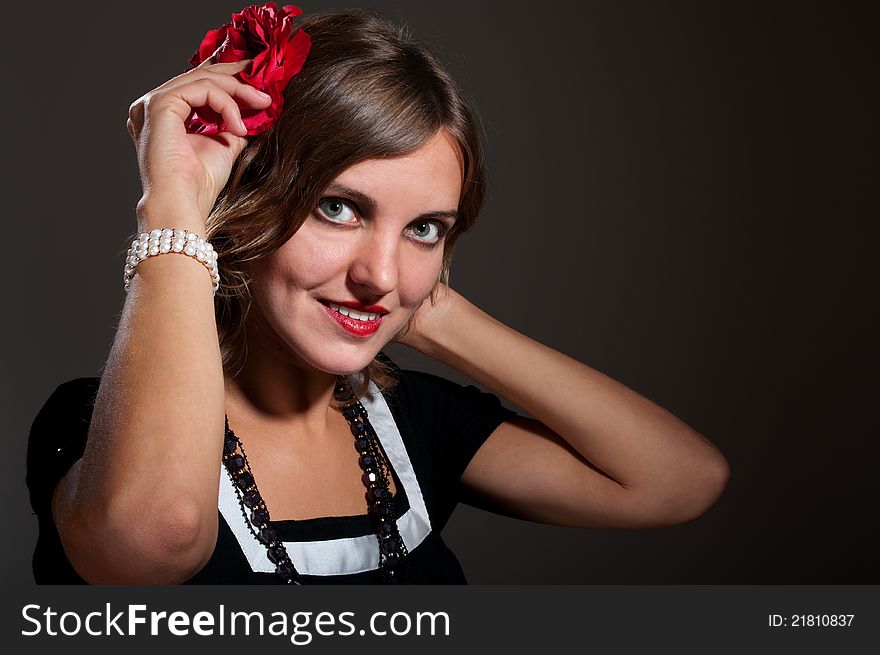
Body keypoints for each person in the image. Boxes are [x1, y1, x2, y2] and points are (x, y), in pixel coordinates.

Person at [26, 7, 730, 584]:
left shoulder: (409, 422)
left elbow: (680, 480)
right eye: (339, 208)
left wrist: (432, 312)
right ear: (247, 201)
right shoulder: (96, 427)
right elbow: (156, 539)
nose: (381, 274)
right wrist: (175, 209)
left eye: (425, 228)